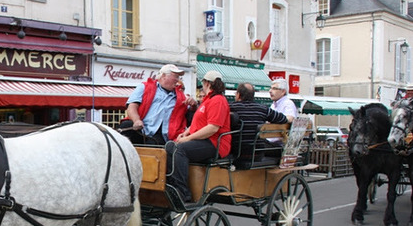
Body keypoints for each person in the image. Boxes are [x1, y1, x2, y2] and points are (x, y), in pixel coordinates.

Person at [166, 70, 232, 203]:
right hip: (204, 140)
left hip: (215, 143)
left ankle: (182, 191)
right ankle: (170, 184)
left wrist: (188, 138)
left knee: (181, 149)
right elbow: (199, 122)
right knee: (169, 146)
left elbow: (212, 128)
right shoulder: (208, 100)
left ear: (207, 83)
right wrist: (186, 132)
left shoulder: (218, 100)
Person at [120, 64, 195, 145]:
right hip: (140, 128)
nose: (178, 80)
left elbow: (192, 117)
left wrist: (193, 106)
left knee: (153, 145)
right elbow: (131, 106)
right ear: (163, 76)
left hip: (161, 135)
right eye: (176, 76)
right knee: (126, 126)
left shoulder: (182, 97)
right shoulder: (144, 87)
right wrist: (136, 120)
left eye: (178, 77)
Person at [230, 82, 288, 160]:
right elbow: (283, 119)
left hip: (237, 153)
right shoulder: (263, 109)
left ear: (238, 95)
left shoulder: (230, 107)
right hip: (258, 153)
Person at [267, 78, 298, 149]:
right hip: (271, 141)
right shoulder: (273, 104)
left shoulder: (288, 103)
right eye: (270, 88)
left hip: (280, 145)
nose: (270, 91)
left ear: (283, 91)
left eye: (274, 88)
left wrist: (274, 120)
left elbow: (290, 118)